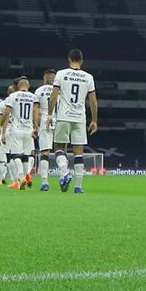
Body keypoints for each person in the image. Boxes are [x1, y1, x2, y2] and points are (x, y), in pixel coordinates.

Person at [47, 49, 98, 194]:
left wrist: (50, 114)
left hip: (63, 116)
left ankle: (64, 172)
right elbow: (93, 102)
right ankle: (78, 186)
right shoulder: (88, 77)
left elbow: (53, 96)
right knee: (78, 153)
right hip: (80, 118)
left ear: (69, 59)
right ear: (81, 60)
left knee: (58, 147)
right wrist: (94, 120)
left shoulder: (61, 74)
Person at [0, 76, 38, 190]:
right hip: (29, 130)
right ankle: (26, 176)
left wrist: (1, 126)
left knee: (16, 155)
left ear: (17, 86)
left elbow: (7, 113)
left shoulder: (13, 96)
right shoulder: (33, 97)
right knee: (26, 156)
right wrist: (35, 127)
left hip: (16, 130)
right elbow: (36, 111)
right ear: (28, 86)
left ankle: (21, 178)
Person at [34, 69, 57, 191]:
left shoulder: (39, 91)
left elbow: (36, 111)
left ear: (44, 78)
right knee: (61, 150)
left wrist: (36, 126)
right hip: (59, 121)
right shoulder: (59, 90)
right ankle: (64, 174)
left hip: (44, 122)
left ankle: (45, 182)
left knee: (44, 152)